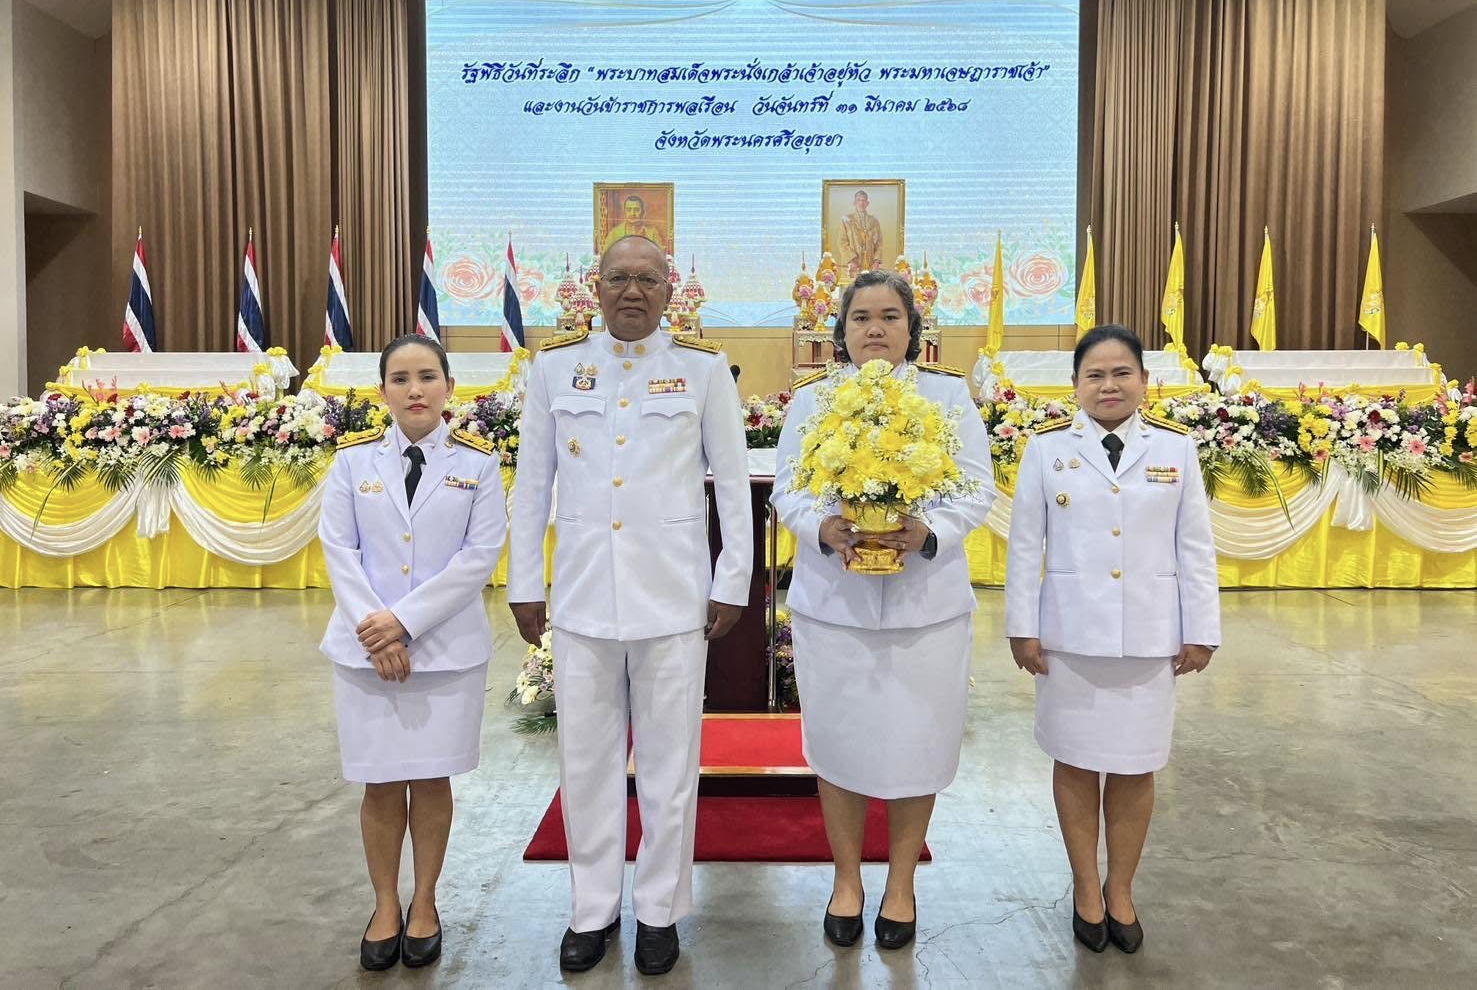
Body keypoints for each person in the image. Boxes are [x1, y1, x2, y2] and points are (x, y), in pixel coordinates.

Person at [508, 235, 753, 976]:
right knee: (584, 762)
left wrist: (731, 581)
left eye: (647, 278)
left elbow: (732, 483)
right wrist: (525, 581)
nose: (632, 290)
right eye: (618, 277)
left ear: (669, 291)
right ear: (596, 287)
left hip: (673, 598)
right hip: (583, 597)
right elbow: (533, 483)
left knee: (670, 767)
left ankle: (658, 912)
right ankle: (592, 910)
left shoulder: (702, 370)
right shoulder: (555, 368)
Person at [772, 270, 996, 950]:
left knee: (918, 746)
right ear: (841, 331)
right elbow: (787, 488)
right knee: (838, 744)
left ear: (912, 329)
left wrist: (930, 533)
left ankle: (901, 885)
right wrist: (820, 527)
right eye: (861, 317)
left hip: (925, 609)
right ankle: (846, 881)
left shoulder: (947, 396)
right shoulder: (813, 399)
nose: (875, 328)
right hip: (833, 606)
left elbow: (976, 489)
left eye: (890, 316)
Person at [1004, 324, 1220, 954]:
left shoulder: (1176, 449)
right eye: (1094, 374)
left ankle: (1120, 888)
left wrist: (1201, 630)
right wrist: (1023, 627)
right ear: (1075, 385)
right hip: (1069, 638)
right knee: (1074, 762)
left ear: (1144, 381)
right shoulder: (1047, 449)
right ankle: (1085, 888)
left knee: (1134, 767)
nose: (1108, 385)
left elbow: (1195, 547)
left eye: (1122, 372)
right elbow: (1025, 547)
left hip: (1150, 639)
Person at [318, 333, 508, 971]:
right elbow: (339, 551)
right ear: (383, 393)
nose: (415, 389)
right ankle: (383, 906)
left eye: (427, 376)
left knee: (430, 778)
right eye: (400, 379)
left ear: (450, 386)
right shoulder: (352, 462)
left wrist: (403, 622)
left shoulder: (478, 464)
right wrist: (376, 631)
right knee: (379, 783)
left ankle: (424, 902)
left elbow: (478, 558)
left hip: (444, 651)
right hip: (365, 652)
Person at [838, 189, 883, 277]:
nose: (861, 203)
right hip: (854, 265)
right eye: (858, 200)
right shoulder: (846, 220)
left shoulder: (874, 221)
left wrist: (876, 261)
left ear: (867, 203)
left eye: (863, 200)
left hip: (870, 265)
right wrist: (852, 259)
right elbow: (842, 242)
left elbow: (879, 243)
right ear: (854, 203)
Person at [602, 193, 668, 252]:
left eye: (636, 210)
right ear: (624, 212)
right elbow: (606, 255)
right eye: (629, 210)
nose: (632, 213)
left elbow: (660, 254)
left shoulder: (652, 232)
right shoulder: (614, 233)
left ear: (643, 212)